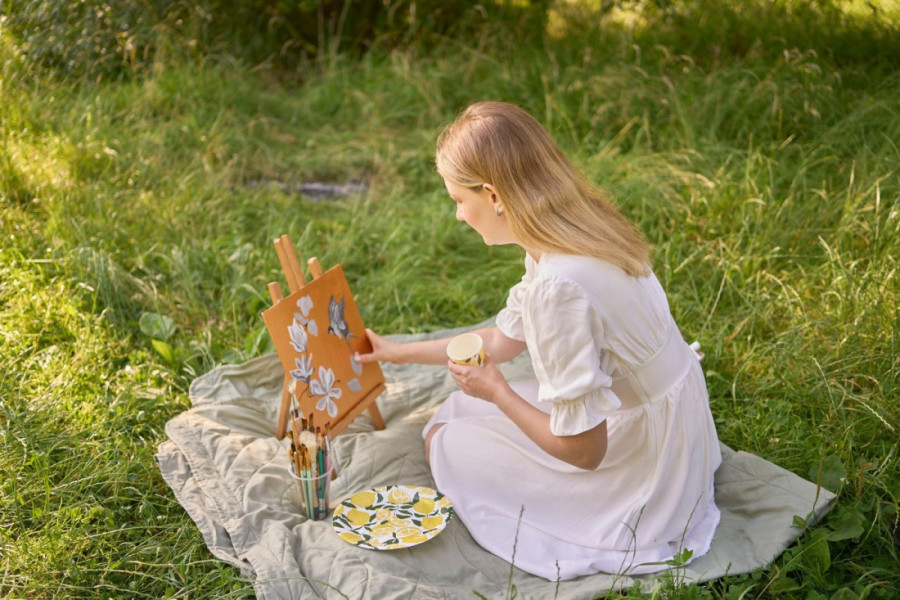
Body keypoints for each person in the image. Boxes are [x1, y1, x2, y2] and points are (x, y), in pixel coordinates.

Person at [355, 101, 721, 581]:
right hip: (676, 418)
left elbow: (586, 453)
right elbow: (499, 342)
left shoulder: (559, 287)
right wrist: (394, 353)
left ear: (493, 194)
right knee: (458, 412)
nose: (459, 217)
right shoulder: (576, 226)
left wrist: (498, 392)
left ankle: (603, 513)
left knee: (444, 441)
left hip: (648, 468)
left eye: (459, 201)